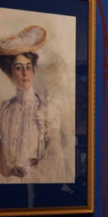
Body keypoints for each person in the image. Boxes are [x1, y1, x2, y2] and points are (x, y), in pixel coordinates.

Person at [0, 25, 67, 183]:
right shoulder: (4, 110)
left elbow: (54, 156)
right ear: (11, 75)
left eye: (28, 67)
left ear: (34, 71)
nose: (25, 73)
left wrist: (29, 176)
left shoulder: (46, 109)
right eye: (18, 68)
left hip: (34, 186)